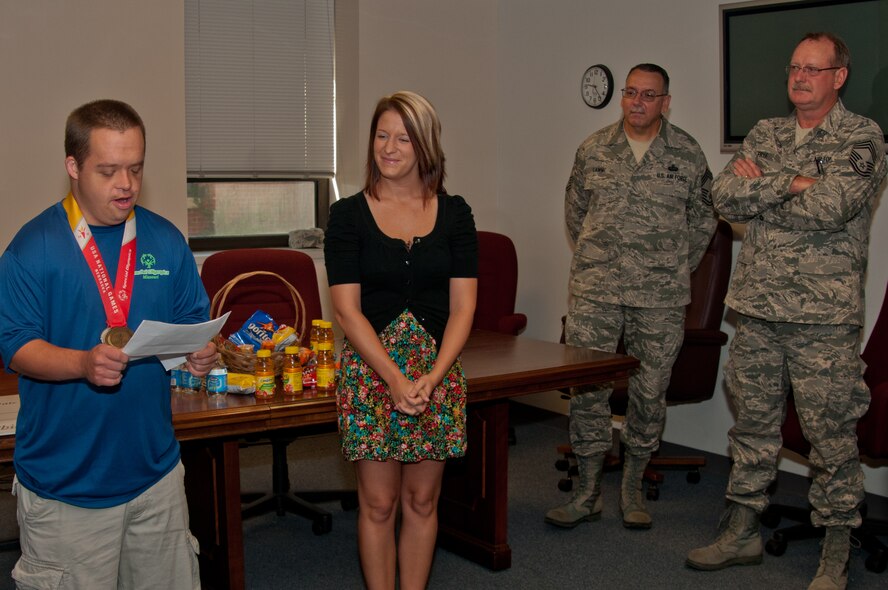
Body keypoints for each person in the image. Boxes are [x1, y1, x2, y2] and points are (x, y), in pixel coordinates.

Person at [686, 33, 887, 590]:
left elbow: (832, 207)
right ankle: (743, 529)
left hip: (822, 319)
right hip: (756, 310)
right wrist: (793, 182)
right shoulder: (767, 132)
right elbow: (724, 198)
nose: (800, 77)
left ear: (839, 76)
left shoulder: (861, 136)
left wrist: (766, 188)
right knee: (751, 427)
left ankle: (837, 546)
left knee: (830, 435)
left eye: (813, 69)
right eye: (794, 67)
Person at [0, 99, 218, 589]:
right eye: (109, 170)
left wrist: (199, 353)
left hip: (155, 477)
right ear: (73, 167)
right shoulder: (32, 248)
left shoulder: (164, 240)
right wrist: (81, 363)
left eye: (136, 168)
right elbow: (14, 346)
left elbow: (192, 321)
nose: (127, 184)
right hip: (66, 488)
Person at [546, 64, 717, 530]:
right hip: (596, 291)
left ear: (665, 102)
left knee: (649, 391)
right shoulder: (594, 148)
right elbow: (575, 212)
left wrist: (673, 266)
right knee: (587, 388)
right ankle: (586, 491)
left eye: (649, 95)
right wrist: (599, 260)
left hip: (659, 296)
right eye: (630, 93)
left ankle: (633, 486)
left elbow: (704, 220)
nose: (637, 102)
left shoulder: (687, 153)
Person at [323, 91, 477, 590]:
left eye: (403, 138)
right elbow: (347, 309)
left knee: (421, 502)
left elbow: (463, 308)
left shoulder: (455, 214)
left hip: (436, 373)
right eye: (381, 135)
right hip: (373, 373)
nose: (389, 147)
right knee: (379, 503)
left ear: (425, 145)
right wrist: (392, 378)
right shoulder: (347, 216)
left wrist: (431, 377)